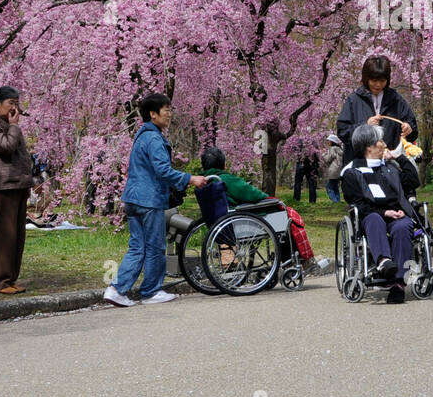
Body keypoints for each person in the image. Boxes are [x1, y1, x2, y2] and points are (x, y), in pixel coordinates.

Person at [104, 93, 208, 308]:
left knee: (137, 247)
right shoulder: (154, 138)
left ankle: (116, 289)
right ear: (153, 114)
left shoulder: (142, 136)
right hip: (148, 200)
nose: (169, 114)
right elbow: (162, 170)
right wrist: (190, 179)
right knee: (154, 247)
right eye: (165, 109)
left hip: (133, 198)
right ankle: (151, 291)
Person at [200, 146, 328, 276]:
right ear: (224, 164)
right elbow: (252, 194)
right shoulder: (226, 179)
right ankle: (296, 262)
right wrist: (268, 199)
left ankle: (293, 262)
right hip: (242, 221)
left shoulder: (204, 181)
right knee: (286, 220)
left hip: (223, 224)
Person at [340, 123, 421, 304]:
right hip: (371, 216)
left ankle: (398, 283)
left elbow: (413, 182)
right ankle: (384, 261)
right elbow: (358, 205)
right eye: (380, 141)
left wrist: (400, 157)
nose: (384, 144)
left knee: (403, 226)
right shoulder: (352, 172)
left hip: (397, 215)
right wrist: (385, 212)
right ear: (369, 146)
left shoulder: (390, 167)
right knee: (374, 218)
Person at [0, 86, 36, 294]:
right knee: (3, 236)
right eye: (10, 103)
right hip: (2, 188)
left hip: (18, 186)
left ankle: (10, 278)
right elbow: (6, 146)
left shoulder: (9, 125)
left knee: (16, 237)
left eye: (16, 103)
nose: (15, 108)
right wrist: (14, 127)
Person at [337, 55, 418, 167]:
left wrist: (409, 128)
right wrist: (365, 126)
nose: (378, 85)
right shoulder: (354, 100)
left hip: (389, 166)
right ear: (366, 78)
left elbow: (412, 128)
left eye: (382, 80)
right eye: (374, 80)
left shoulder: (396, 100)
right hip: (360, 166)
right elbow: (342, 131)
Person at [322, 134, 344, 203]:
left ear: (332, 141)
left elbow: (328, 159)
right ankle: (338, 200)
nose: (327, 142)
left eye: (328, 140)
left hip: (333, 170)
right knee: (335, 187)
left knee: (329, 187)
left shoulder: (332, 148)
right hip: (339, 170)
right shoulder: (340, 149)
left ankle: (335, 201)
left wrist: (324, 155)